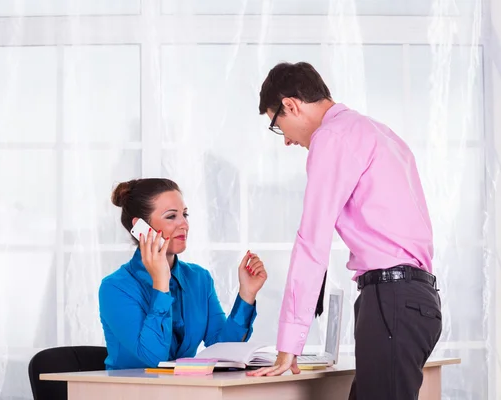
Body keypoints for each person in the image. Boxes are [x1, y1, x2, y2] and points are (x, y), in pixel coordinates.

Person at [248, 62, 442, 399]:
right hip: (417, 301)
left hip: (391, 298)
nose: (288, 141)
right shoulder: (379, 132)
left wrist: (289, 345)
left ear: (291, 105)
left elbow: (312, 241)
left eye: (279, 126)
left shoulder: (332, 137)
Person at [99, 178, 268, 370]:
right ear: (140, 228)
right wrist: (161, 284)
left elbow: (223, 351)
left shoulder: (199, 279)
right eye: (171, 216)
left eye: (185, 215)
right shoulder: (115, 288)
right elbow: (154, 359)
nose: (184, 225)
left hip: (184, 391)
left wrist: (246, 295)